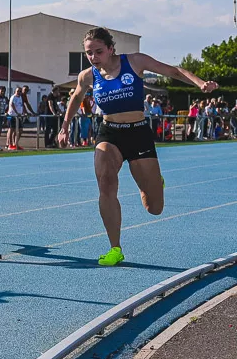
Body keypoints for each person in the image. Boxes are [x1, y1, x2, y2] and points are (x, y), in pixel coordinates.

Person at [59, 27, 217, 267]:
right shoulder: (88, 76)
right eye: (89, 53)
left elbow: (173, 70)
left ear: (111, 49)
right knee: (106, 182)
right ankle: (115, 248)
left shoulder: (134, 62)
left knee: (154, 207)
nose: (93, 57)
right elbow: (77, 97)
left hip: (138, 133)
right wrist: (64, 126)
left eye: (98, 51)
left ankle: (154, 183)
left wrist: (200, 83)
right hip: (109, 133)